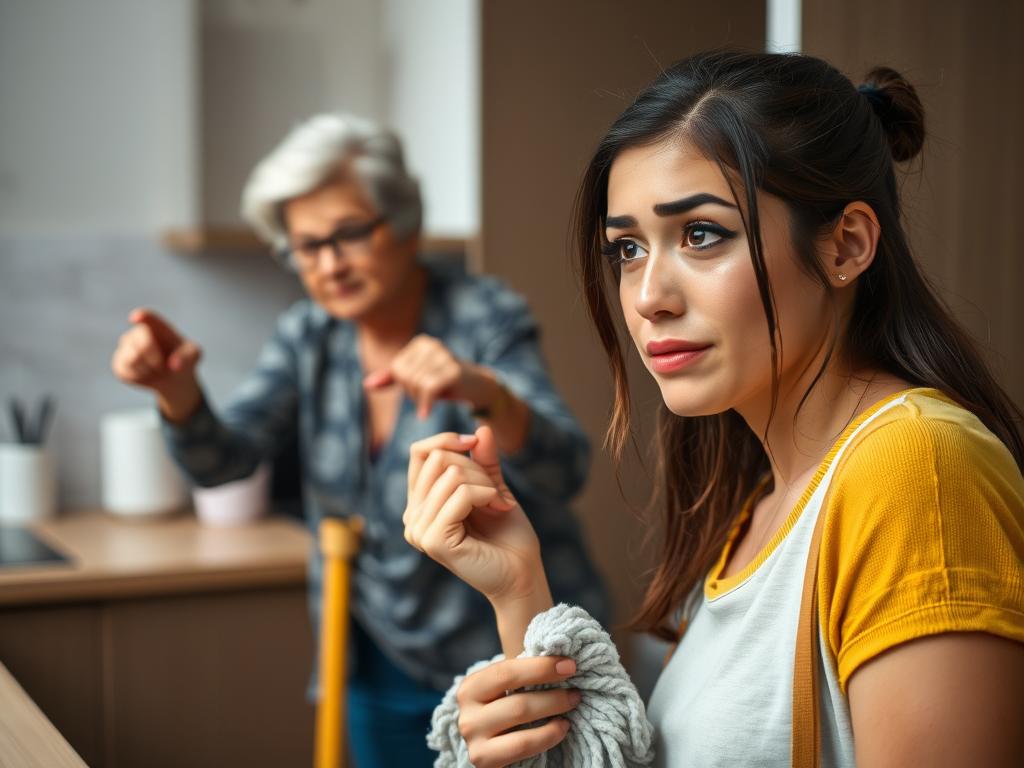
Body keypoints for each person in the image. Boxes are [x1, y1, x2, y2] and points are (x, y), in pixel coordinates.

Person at [403, 50, 1024, 767]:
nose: (646, 296)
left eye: (701, 234)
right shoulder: (757, 506)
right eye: (628, 249)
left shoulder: (919, 471)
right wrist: (520, 596)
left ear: (846, 245)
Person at [110, 113, 607, 767]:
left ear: (402, 223)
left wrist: (483, 389)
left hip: (502, 659)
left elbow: (565, 467)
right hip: (371, 656)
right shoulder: (308, 335)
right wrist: (176, 393)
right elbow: (223, 463)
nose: (329, 264)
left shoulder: (483, 315)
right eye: (305, 247)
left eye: (348, 234)